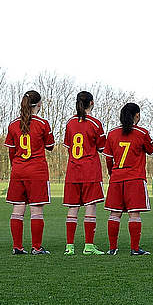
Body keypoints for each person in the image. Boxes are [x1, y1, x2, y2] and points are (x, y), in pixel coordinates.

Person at [4, 90, 55, 255]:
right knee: (36, 210)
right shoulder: (42, 123)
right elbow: (50, 146)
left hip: (18, 171)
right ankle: (36, 247)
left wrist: (16, 165)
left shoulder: (13, 124)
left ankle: (17, 247)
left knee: (17, 209)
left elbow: (11, 151)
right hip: (37, 171)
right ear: (39, 104)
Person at [102, 102, 153, 255]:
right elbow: (152, 151)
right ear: (137, 115)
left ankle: (112, 248)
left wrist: (111, 173)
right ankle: (134, 248)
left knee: (114, 214)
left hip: (117, 178)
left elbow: (108, 158)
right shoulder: (142, 133)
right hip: (135, 179)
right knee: (134, 214)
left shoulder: (112, 133)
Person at [62, 91, 106, 255]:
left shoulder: (70, 122)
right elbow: (102, 148)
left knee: (72, 208)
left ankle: (70, 247)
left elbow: (68, 147)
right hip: (90, 171)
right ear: (92, 103)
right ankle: (88, 246)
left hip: (73, 170)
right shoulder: (95, 123)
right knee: (90, 207)